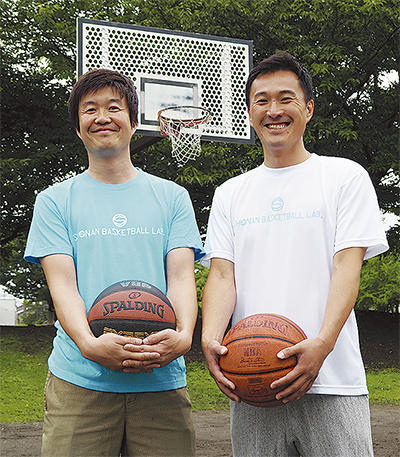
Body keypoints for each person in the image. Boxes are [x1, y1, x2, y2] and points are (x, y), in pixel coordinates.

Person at [201, 52, 388, 457]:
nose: (274, 110)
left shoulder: (344, 177)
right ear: (249, 113)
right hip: (252, 378)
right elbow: (221, 275)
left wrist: (323, 344)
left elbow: (347, 266)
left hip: (332, 380)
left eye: (286, 98)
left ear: (309, 108)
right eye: (262, 101)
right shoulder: (230, 193)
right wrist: (211, 337)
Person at [24, 68, 204, 457]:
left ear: (133, 122)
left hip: (160, 378)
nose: (102, 117)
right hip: (80, 378)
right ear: (78, 128)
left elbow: (180, 278)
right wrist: (89, 344)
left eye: (113, 107)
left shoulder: (173, 197)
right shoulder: (54, 201)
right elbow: (63, 286)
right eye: (90, 110)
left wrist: (185, 334)